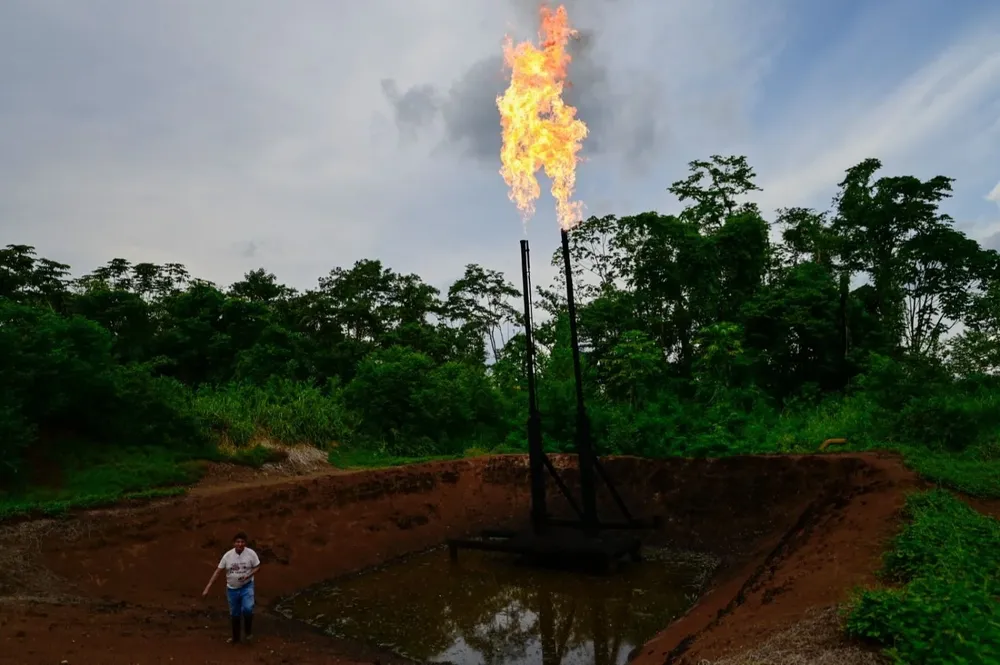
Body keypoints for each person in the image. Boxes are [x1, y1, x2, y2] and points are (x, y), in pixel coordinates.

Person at [203, 531, 261, 644]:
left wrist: (248, 575)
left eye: (242, 542)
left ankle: (248, 633)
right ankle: (235, 637)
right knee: (235, 613)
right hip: (232, 589)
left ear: (245, 543)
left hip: (247, 586)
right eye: (237, 542)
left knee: (248, 608)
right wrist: (208, 587)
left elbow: (257, 566)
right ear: (234, 543)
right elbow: (218, 572)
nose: (240, 544)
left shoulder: (251, 554)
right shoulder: (228, 556)